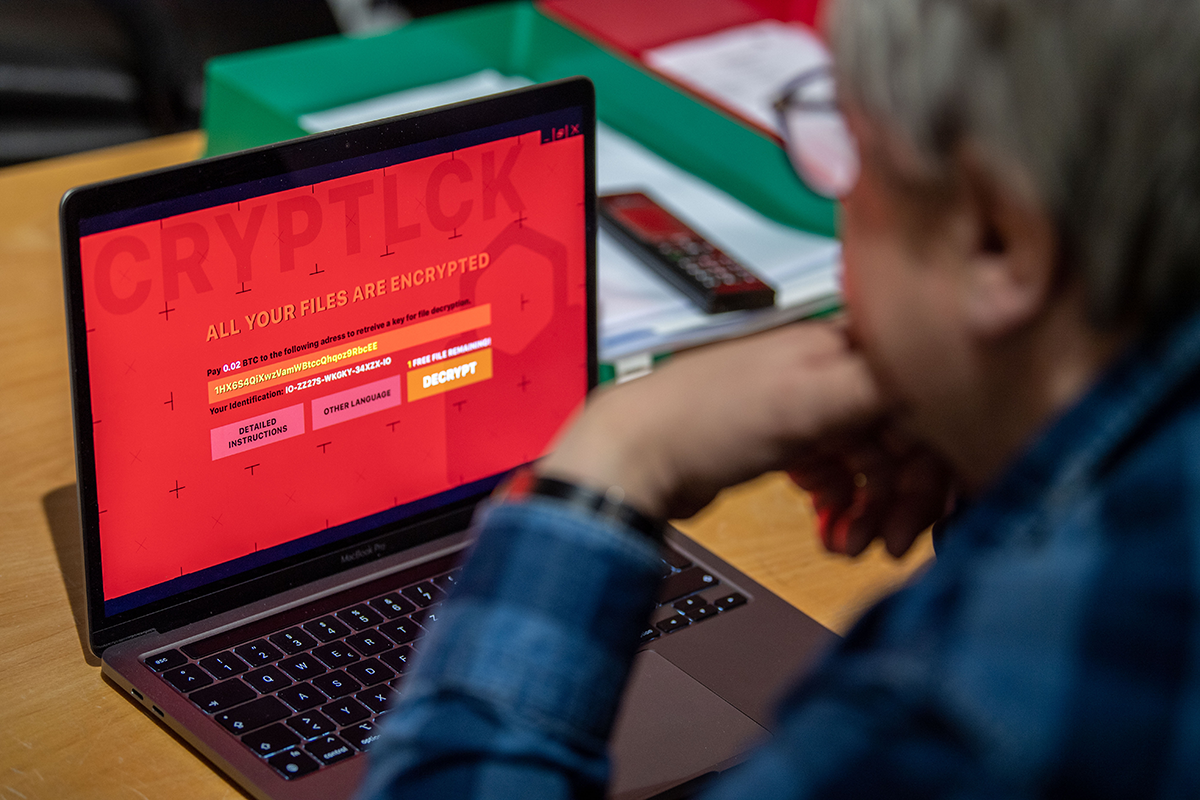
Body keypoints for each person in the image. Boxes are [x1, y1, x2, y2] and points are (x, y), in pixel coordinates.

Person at [358, 0, 1200, 796]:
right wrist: (990, 445)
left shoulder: (955, 721)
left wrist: (611, 462)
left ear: (996, 238)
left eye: (856, 155)